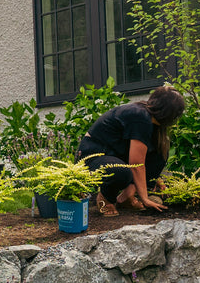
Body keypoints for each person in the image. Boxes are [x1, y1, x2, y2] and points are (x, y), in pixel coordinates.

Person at [76, 84, 186, 217]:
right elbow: (136, 164)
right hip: (92, 156)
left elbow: (143, 158)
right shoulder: (140, 116)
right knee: (120, 171)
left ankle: (126, 197)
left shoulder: (150, 120)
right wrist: (144, 198)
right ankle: (105, 199)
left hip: (113, 154)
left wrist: (155, 178)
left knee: (160, 153)